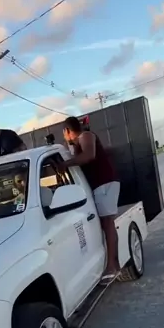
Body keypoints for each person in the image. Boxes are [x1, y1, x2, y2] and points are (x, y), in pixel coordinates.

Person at [61, 115, 120, 284]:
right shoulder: (78, 141)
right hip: (100, 185)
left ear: (67, 130)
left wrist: (65, 164)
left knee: (107, 223)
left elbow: (89, 156)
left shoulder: (85, 136)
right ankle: (112, 263)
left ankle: (112, 266)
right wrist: (72, 146)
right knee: (104, 224)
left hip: (105, 182)